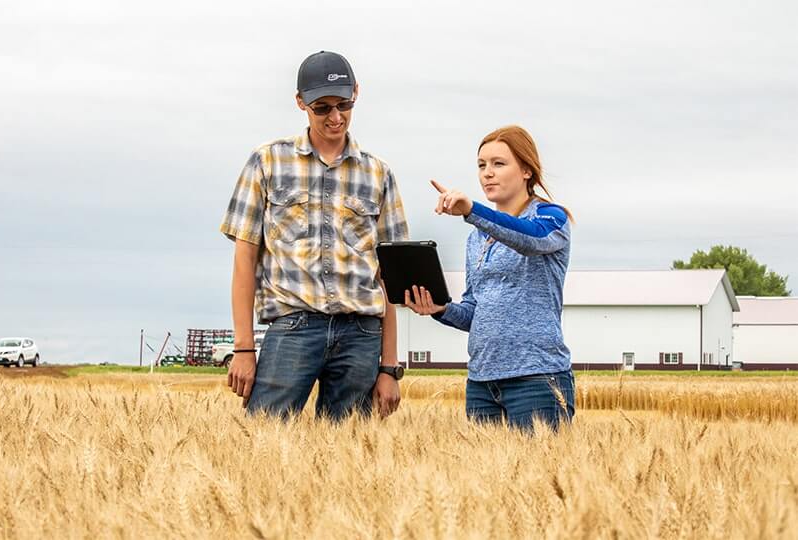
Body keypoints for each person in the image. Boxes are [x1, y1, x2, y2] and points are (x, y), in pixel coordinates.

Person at [220, 51, 409, 420]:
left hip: (361, 333)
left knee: (348, 457)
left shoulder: (379, 174)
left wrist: (389, 367)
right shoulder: (267, 161)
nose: (335, 117)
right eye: (322, 108)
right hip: (292, 326)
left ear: (356, 93)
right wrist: (243, 348)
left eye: (344, 104)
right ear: (300, 102)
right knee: (263, 445)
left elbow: (389, 276)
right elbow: (245, 259)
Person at [404, 125, 575, 431]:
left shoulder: (551, 217)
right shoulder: (476, 237)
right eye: (481, 165)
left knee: (538, 477)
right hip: (482, 382)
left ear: (526, 170)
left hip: (536, 378)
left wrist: (472, 210)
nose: (487, 173)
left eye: (499, 164)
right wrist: (440, 309)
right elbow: (474, 310)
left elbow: (531, 239)